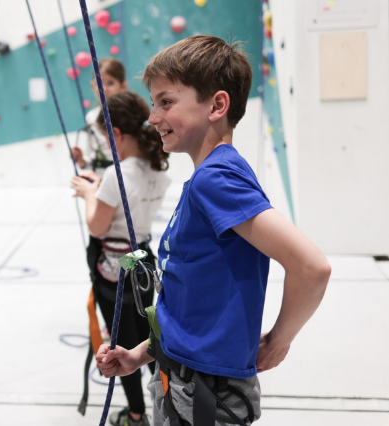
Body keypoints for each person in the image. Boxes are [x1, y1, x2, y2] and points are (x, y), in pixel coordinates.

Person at [95, 36, 331, 426]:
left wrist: (278, 340)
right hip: (184, 379)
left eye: (165, 102)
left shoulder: (216, 180)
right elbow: (193, 306)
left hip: (203, 392)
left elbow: (311, 267)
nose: (152, 117)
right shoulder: (213, 176)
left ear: (217, 106)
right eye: (154, 103)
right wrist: (139, 355)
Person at [71, 90, 171, 426]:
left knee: (121, 345)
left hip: (114, 269)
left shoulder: (117, 174)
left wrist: (89, 193)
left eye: (105, 138)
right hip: (143, 262)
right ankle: (164, 404)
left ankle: (136, 414)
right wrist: (100, 188)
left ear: (115, 133)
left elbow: (97, 226)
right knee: (147, 337)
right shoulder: (157, 169)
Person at [72, 58, 128, 177]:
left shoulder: (130, 114)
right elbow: (92, 158)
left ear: (122, 86)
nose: (104, 89)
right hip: (101, 177)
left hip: (125, 175)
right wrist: (81, 161)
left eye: (110, 83)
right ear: (93, 86)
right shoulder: (91, 117)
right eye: (99, 83)